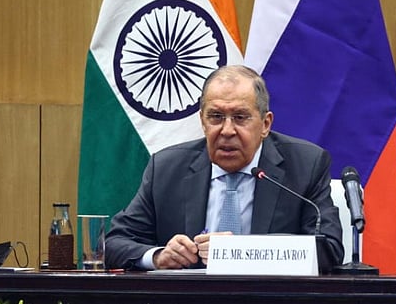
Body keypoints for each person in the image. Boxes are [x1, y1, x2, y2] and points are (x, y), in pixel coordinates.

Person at [105, 65, 344, 272]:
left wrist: (238, 252)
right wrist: (158, 256)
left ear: (265, 124)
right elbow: (113, 243)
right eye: (216, 116)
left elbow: (328, 249)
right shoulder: (167, 168)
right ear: (202, 121)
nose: (227, 130)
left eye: (240, 117)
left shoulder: (305, 164)